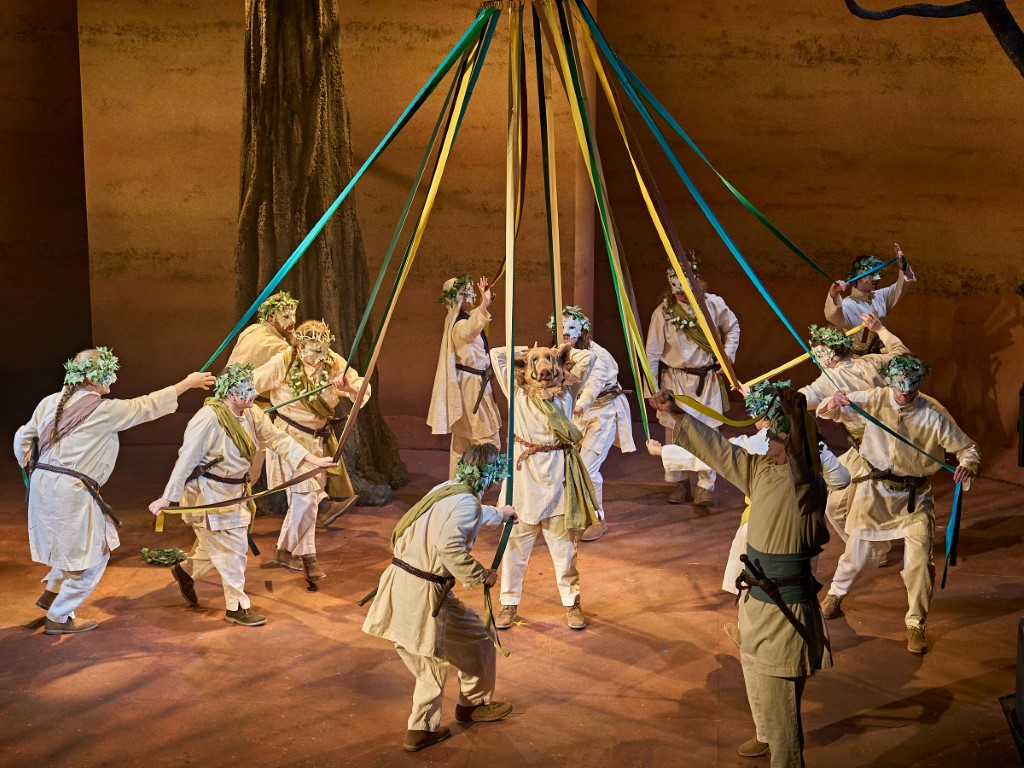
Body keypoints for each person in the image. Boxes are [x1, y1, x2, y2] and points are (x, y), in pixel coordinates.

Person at [648, 386, 832, 767]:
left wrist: (797, 418)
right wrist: (677, 415)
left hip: (785, 613)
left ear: (793, 441)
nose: (767, 441)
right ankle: (766, 736)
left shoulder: (807, 486)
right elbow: (718, 449)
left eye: (775, 437)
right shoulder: (761, 469)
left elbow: (800, 461)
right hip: (757, 602)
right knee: (761, 684)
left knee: (784, 719)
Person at [14, 347, 214, 635]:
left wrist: (31, 470)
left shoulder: (49, 402)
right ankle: (59, 616)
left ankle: (53, 591)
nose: (115, 378)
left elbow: (23, 436)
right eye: (110, 373)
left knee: (69, 543)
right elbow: (147, 406)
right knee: (96, 552)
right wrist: (188, 383)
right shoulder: (103, 411)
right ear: (95, 379)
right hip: (71, 492)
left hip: (44, 489)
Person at [815, 355, 979, 654]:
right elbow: (829, 409)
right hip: (874, 493)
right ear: (890, 382)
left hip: (914, 499)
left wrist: (967, 464)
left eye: (911, 389)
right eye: (900, 388)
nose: (905, 394)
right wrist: (834, 401)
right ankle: (836, 594)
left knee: (919, 564)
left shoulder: (934, 413)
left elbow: (967, 448)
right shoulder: (874, 398)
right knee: (857, 553)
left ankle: (916, 623)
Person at [148, 364, 335, 626]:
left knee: (217, 546)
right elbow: (186, 461)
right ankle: (236, 607)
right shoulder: (207, 419)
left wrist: (311, 459)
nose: (252, 392)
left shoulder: (251, 413)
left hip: (234, 491)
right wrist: (168, 498)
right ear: (230, 393)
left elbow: (277, 438)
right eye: (245, 388)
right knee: (234, 550)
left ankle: (185, 571)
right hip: (209, 495)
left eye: (251, 386)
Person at [362, 443, 516, 752]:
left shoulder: (446, 489)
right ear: (487, 477)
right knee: (429, 661)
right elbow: (450, 545)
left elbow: (463, 510)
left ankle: (472, 704)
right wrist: (479, 574)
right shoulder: (467, 503)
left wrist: (500, 514)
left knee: (476, 635)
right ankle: (420, 730)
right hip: (422, 592)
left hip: (406, 582)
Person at [489, 342, 599, 630]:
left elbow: (588, 358)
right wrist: (526, 353)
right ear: (525, 369)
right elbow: (497, 354)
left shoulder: (565, 393)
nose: (543, 367)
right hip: (524, 481)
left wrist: (561, 352)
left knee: (564, 550)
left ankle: (572, 604)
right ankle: (508, 605)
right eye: (536, 363)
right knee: (515, 548)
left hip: (557, 478)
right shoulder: (517, 393)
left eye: (548, 361)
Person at [252, 319, 370, 583]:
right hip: (288, 440)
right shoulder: (283, 362)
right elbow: (251, 385)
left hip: (317, 442)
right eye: (313, 351)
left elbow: (363, 386)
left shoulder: (333, 361)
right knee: (306, 500)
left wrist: (349, 388)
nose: (319, 358)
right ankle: (308, 557)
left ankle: (284, 551)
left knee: (301, 503)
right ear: (300, 344)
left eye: (323, 351)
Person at [799, 312, 911, 541]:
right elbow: (902, 354)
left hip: (876, 451)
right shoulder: (870, 362)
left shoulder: (828, 381)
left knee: (841, 508)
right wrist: (880, 329)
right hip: (881, 444)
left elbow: (799, 400)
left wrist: (759, 396)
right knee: (836, 499)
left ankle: (869, 548)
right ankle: (866, 545)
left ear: (824, 353)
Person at [645, 265, 739, 506]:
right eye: (675, 290)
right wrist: (652, 390)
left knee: (708, 432)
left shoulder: (713, 304)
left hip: (706, 381)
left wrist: (726, 359)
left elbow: (732, 327)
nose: (679, 295)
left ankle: (705, 486)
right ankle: (679, 482)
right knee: (675, 432)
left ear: (696, 281)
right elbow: (652, 353)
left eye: (684, 289)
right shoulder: (663, 312)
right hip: (675, 382)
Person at [549, 305, 635, 542]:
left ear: (582, 330)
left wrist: (578, 405)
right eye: (562, 328)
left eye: (571, 328)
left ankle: (598, 519)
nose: (566, 333)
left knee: (588, 468)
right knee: (569, 464)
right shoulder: (560, 352)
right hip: (578, 415)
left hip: (603, 413)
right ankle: (574, 514)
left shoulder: (598, 355)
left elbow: (593, 385)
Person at [227, 291, 299, 506]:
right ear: (270, 318)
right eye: (285, 317)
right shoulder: (277, 347)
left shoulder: (252, 330)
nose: (292, 321)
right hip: (250, 411)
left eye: (293, 315)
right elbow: (296, 365)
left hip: (229, 405)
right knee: (250, 468)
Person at [427, 275, 502, 479]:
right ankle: (473, 484)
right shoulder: (459, 325)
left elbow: (474, 323)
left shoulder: (463, 320)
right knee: (486, 438)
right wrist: (484, 303)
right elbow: (470, 330)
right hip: (471, 388)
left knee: (463, 441)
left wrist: (483, 304)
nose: (469, 297)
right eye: (465, 294)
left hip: (473, 383)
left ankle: (457, 486)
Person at [824, 244, 915, 355]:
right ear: (860, 277)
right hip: (859, 362)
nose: (878, 278)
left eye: (879, 273)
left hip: (881, 356)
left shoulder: (879, 296)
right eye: (872, 275)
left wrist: (903, 266)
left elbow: (900, 288)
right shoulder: (848, 304)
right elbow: (832, 315)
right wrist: (833, 292)